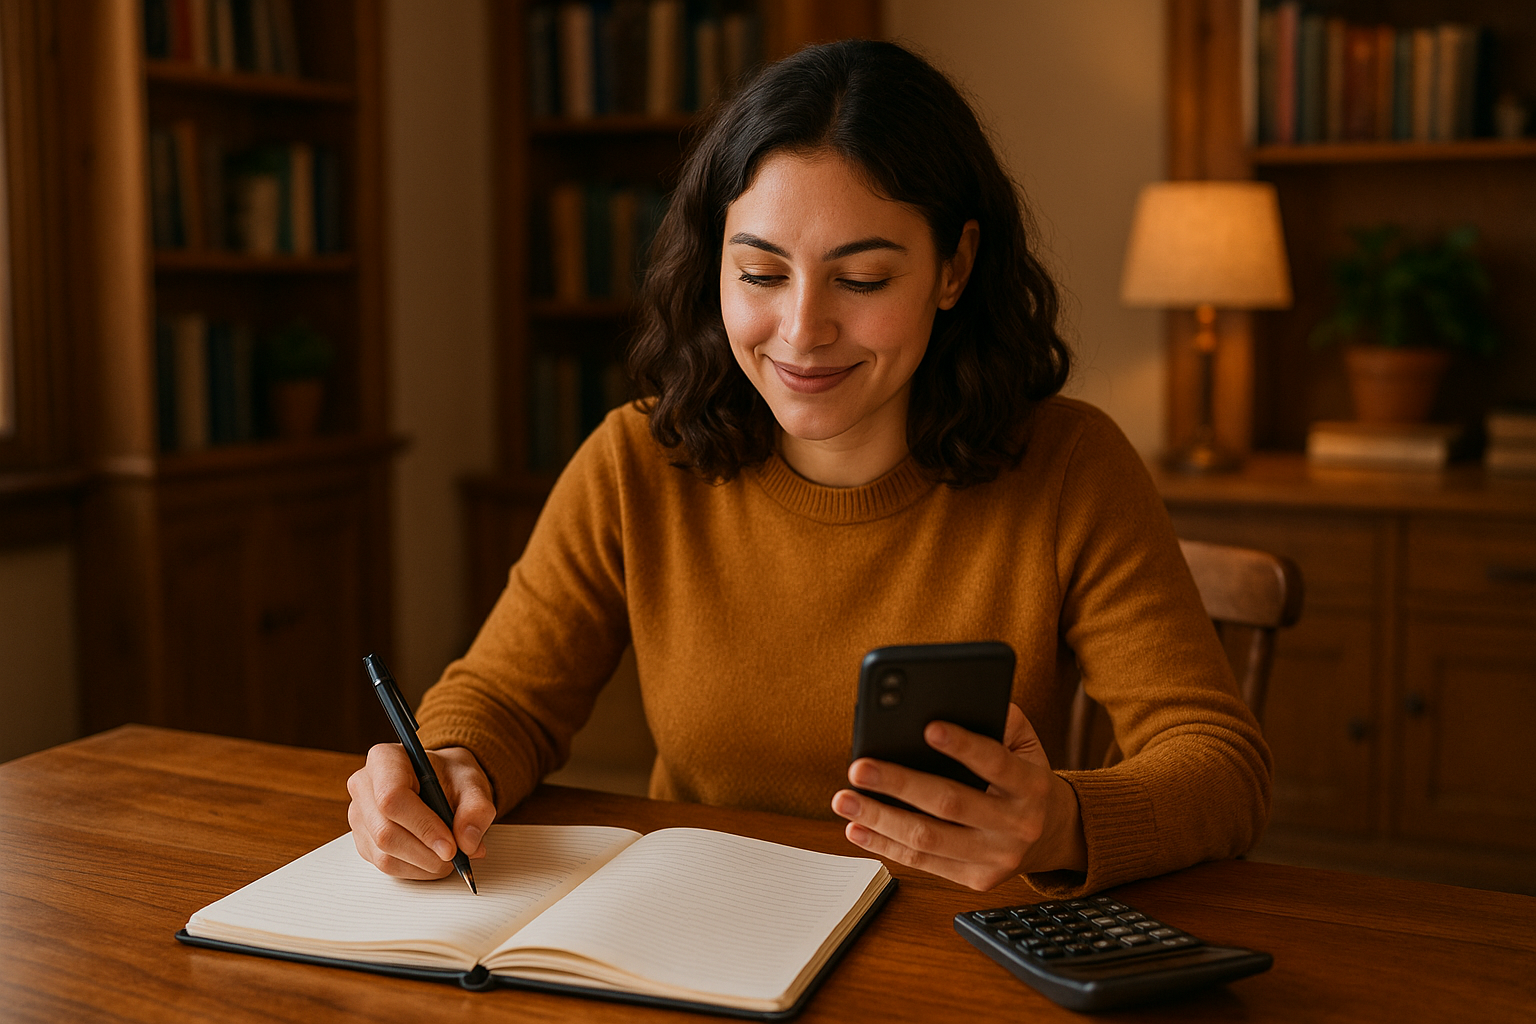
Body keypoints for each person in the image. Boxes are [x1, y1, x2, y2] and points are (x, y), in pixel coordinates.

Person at [347, 39, 1271, 896]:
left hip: (950, 950)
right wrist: (448, 767)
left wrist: (1059, 822)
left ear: (954, 267)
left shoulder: (1070, 466)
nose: (801, 330)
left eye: (862, 280)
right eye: (760, 273)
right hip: (706, 929)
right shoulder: (638, 459)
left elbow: (1219, 767)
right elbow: (504, 698)